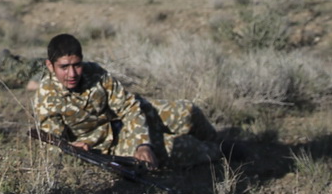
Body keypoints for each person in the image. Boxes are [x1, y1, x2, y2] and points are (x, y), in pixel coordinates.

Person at [33, 34, 221, 170]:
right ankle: (219, 154)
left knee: (188, 112)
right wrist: (74, 149)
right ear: (50, 65)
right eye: (64, 67)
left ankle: (219, 143)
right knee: (179, 147)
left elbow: (129, 107)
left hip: (127, 120)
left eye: (77, 65)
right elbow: (53, 147)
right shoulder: (47, 98)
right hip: (109, 143)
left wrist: (143, 144)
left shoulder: (95, 72)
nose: (72, 74)